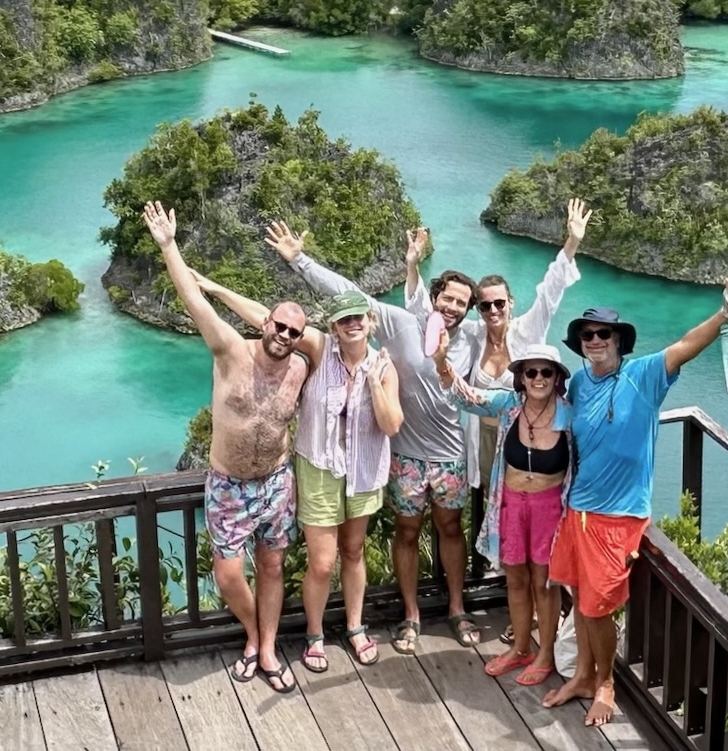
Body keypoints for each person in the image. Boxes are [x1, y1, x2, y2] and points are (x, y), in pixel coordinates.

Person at [544, 267, 728, 727]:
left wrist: (725, 313)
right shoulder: (579, 384)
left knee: (597, 607)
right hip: (577, 509)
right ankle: (582, 675)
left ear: (619, 340)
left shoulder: (643, 375)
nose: (594, 340)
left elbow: (685, 346)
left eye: (602, 334)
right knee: (580, 597)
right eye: (586, 335)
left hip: (618, 516)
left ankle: (606, 682)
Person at [269, 220, 481, 653]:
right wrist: (299, 260)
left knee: (451, 529)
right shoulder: (401, 323)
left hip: (450, 453)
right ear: (434, 297)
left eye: (462, 303)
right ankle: (410, 615)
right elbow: (349, 295)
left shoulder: (472, 342)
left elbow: (501, 360)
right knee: (406, 532)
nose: (453, 307)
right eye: (448, 298)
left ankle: (457, 609)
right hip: (404, 453)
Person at [194, 272, 404, 675]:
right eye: (343, 320)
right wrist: (216, 289)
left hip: (362, 471)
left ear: (370, 321)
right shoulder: (321, 350)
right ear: (334, 327)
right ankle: (314, 634)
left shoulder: (383, 367)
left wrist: (374, 384)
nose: (352, 324)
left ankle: (356, 626)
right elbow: (272, 322)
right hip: (320, 468)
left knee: (354, 551)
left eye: (358, 317)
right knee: (322, 563)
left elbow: (392, 424)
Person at [141, 200, 310, 694]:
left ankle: (266, 648)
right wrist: (169, 246)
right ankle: (255, 634)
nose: (284, 335)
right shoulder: (231, 350)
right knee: (229, 574)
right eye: (278, 326)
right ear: (265, 323)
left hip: (277, 482)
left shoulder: (301, 367)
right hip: (229, 485)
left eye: (294, 332)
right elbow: (195, 302)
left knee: (273, 565)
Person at [404, 198, 591, 485]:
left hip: (524, 432)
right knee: (485, 493)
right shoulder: (473, 333)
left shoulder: (528, 330)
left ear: (510, 303)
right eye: (485, 305)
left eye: (499, 303)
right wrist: (412, 266)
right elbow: (429, 317)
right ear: (478, 309)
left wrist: (572, 242)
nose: (493, 310)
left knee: (519, 492)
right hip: (482, 434)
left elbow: (550, 292)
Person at [433, 337, 573, 687]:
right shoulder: (509, 405)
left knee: (544, 582)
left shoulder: (570, 415)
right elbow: (464, 397)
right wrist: (441, 362)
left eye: (546, 372)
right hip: (510, 504)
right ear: (521, 377)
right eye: (531, 372)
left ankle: (545, 654)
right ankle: (521, 648)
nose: (538, 378)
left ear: (557, 377)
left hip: (550, 510)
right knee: (515, 579)